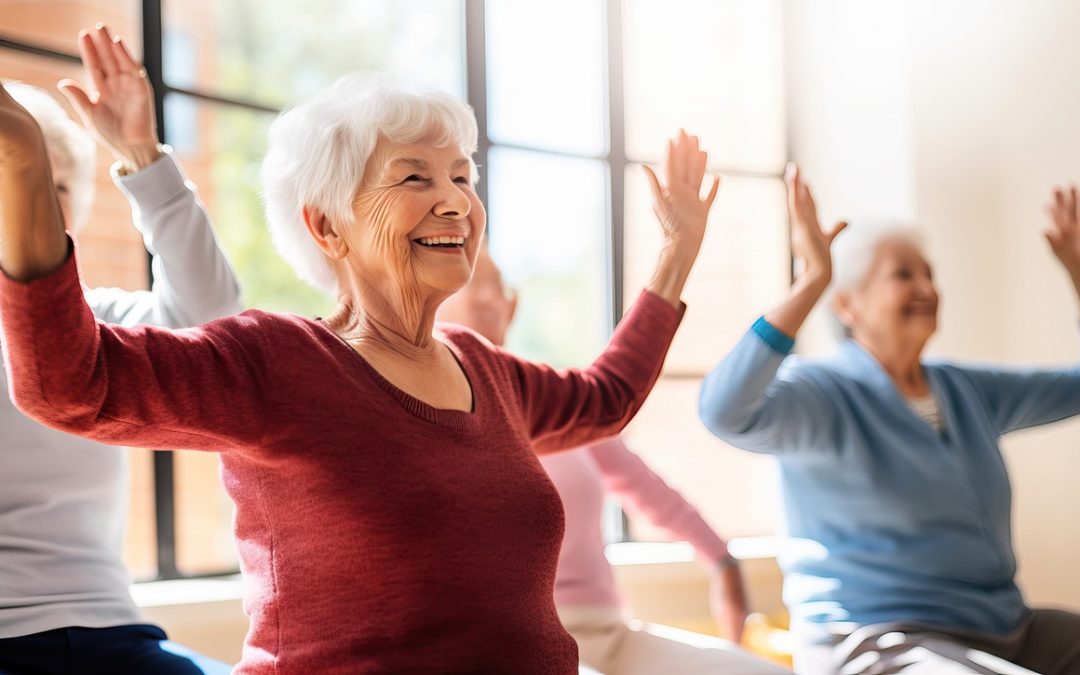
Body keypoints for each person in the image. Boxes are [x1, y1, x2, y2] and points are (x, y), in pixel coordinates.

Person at [0, 51, 718, 671]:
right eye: (415, 179)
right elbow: (70, 383)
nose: (455, 203)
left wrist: (676, 255)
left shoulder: (486, 368)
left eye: (463, 178)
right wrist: (26, 160)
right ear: (326, 226)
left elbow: (605, 398)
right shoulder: (277, 359)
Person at [698, 165, 1080, 675]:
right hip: (875, 641)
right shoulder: (823, 394)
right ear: (847, 305)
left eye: (929, 273)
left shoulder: (966, 390)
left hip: (1003, 627)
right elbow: (724, 411)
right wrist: (812, 280)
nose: (926, 287)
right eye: (903, 274)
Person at [0, 26, 240, 674]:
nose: (30, 209)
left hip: (111, 632)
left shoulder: (96, 319)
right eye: (16, 185)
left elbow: (214, 325)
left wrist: (143, 156)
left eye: (55, 194)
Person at [438, 247, 791, 674]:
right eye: (476, 283)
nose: (495, 298)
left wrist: (722, 561)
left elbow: (651, 493)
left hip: (610, 632)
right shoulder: (433, 417)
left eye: (501, 285)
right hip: (520, 647)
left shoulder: (560, 399)